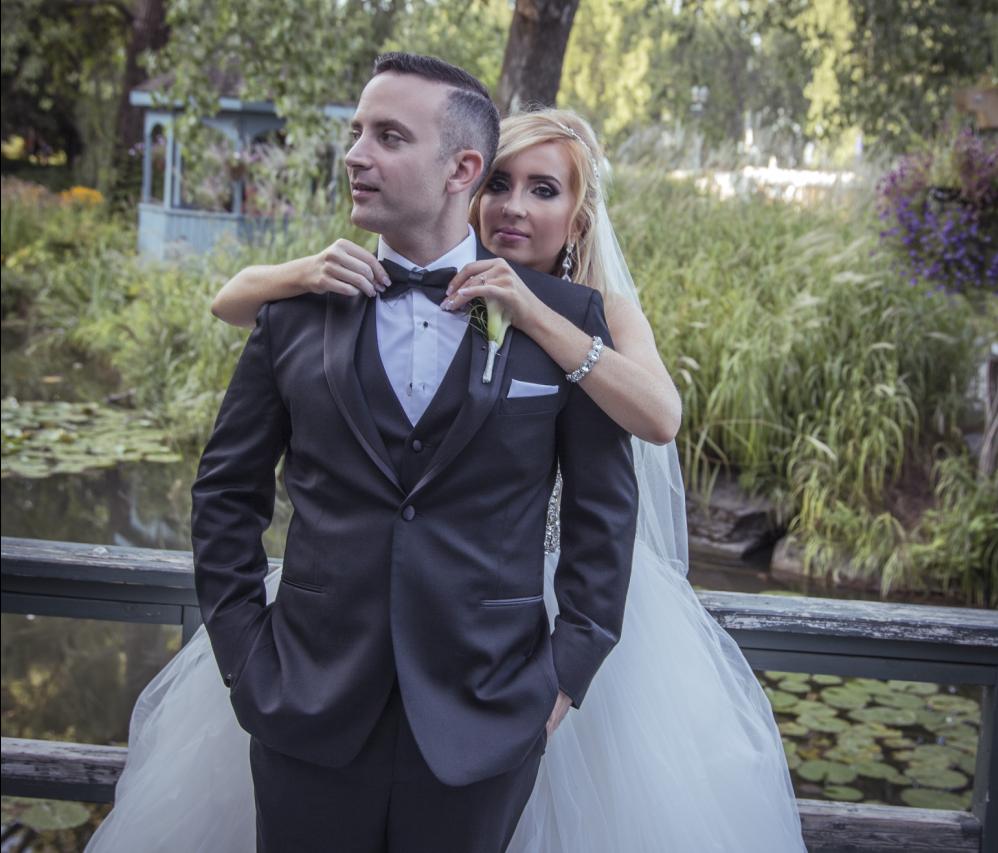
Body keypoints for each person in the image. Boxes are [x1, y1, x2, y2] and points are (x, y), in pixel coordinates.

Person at [85, 78, 807, 853]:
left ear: (575, 214)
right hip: (311, 685)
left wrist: (562, 678)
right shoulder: (315, 299)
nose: (514, 208)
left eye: (543, 190)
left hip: (494, 691)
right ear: (471, 182)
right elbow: (227, 487)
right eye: (502, 183)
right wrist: (245, 655)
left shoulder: (582, 318)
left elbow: (612, 498)